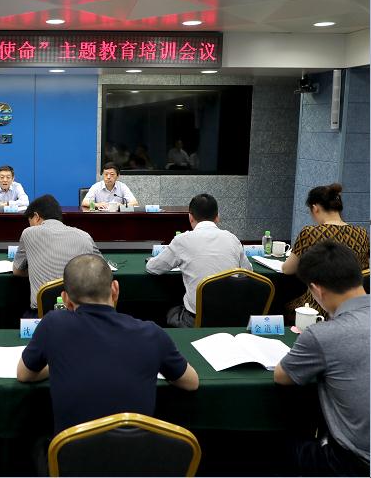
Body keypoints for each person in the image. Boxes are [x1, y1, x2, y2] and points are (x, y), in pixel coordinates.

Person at [17, 254, 199, 435]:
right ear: (115, 289)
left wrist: (57, 362)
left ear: (65, 299)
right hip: (136, 453)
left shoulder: (52, 324)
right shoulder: (152, 334)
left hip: (71, 452)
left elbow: (24, 374)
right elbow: (191, 382)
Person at [274, 240, 369, 476]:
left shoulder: (323, 335)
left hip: (355, 462)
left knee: (276, 446)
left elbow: (281, 376)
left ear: (316, 290)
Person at [146, 193, 251, 327]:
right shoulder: (232, 238)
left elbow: (153, 268)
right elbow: (248, 272)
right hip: (232, 319)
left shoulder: (182, 240)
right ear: (217, 217)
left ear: (190, 217)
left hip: (196, 321)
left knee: (170, 311)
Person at [282, 183, 369, 319]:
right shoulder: (362, 233)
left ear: (315, 208)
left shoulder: (310, 232)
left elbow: (287, 269)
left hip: (320, 305)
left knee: (284, 303)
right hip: (355, 307)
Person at [13, 195, 100, 314]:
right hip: (80, 312)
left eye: (30, 222)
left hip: (42, 314)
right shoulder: (85, 236)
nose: (30, 226)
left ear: (37, 217)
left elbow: (17, 271)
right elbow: (102, 269)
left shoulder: (28, 233)